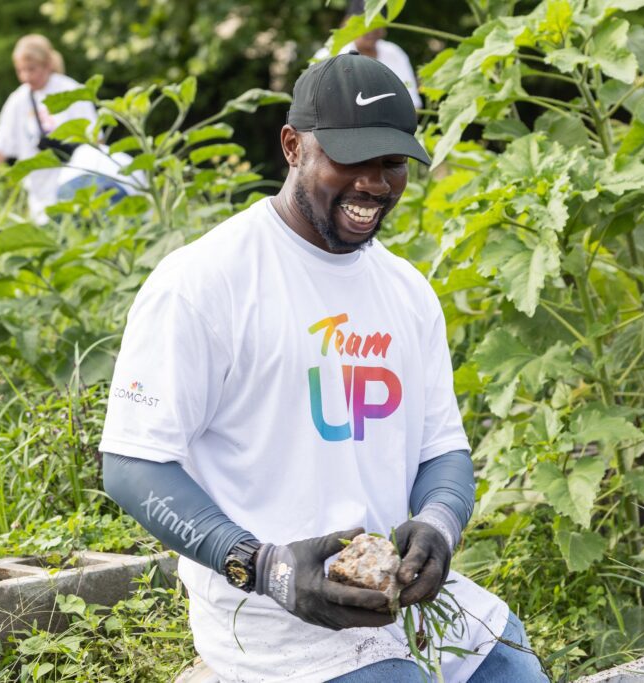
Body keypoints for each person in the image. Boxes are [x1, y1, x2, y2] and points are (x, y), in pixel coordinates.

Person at [98, 53, 547, 682]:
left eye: (391, 163)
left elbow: (443, 449)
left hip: (395, 601)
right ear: (291, 146)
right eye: (351, 159)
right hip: (270, 617)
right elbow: (131, 465)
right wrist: (264, 567)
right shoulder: (205, 282)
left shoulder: (407, 291)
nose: (375, 183)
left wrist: (438, 529)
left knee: (514, 665)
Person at [0, 34, 99, 224]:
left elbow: (95, 140)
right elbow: (2, 141)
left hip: (76, 189)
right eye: (20, 70)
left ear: (47, 65)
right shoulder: (18, 100)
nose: (26, 77)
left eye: (31, 69)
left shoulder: (72, 92)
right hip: (39, 193)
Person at [314, 0, 422, 108]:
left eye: (376, 22)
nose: (370, 29)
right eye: (364, 23)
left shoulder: (394, 53)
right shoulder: (328, 56)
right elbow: (315, 106)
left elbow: (412, 105)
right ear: (347, 24)